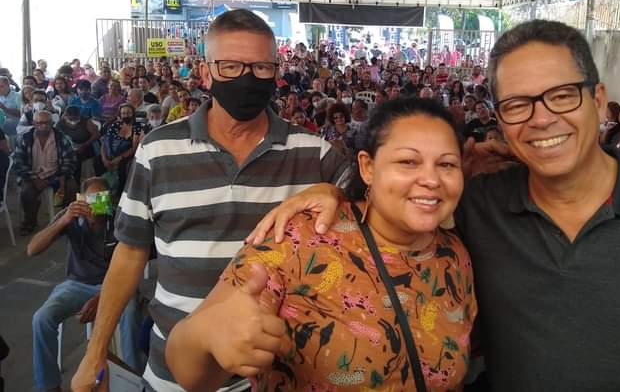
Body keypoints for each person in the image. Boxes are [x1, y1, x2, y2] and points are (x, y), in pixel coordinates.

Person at [251, 20, 620, 392]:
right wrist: (337, 194)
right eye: (517, 104)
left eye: (561, 96)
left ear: (598, 101)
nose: (541, 119)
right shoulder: (480, 204)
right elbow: (400, 205)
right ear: (501, 120)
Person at [71, 9, 350, 392]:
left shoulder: (314, 154)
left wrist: (335, 191)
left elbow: (374, 205)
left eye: (261, 67)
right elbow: (131, 252)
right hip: (175, 375)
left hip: (279, 374)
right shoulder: (158, 150)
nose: (247, 78)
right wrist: (95, 351)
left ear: (275, 73)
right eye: (230, 67)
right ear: (205, 73)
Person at [166, 97, 476, 391]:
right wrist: (208, 336)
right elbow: (189, 373)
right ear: (368, 167)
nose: (431, 179)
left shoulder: (454, 256)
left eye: (447, 165)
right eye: (408, 161)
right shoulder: (299, 239)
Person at [27, 177, 144, 392]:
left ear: (109, 198)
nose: (96, 204)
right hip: (76, 284)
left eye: (102, 197)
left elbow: (131, 266)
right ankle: (48, 386)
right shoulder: (71, 216)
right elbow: (32, 249)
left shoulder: (119, 218)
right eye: (91, 198)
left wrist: (102, 297)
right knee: (41, 318)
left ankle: (133, 382)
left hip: (114, 285)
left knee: (130, 312)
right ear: (81, 199)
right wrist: (63, 220)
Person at [14, 110, 77, 235]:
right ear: (33, 123)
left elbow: (70, 160)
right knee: (27, 191)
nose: (43, 126)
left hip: (56, 175)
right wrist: (35, 178)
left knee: (72, 187)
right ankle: (30, 221)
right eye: (39, 123)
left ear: (52, 123)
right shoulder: (25, 138)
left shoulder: (61, 138)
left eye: (47, 123)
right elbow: (19, 162)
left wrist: (62, 177)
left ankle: (66, 220)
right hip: (32, 175)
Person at [97, 104, 142, 197]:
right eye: (123, 113)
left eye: (128, 113)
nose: (126, 115)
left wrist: (119, 158)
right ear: (120, 114)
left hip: (127, 153)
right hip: (111, 151)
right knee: (97, 161)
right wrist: (104, 158)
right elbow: (105, 142)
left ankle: (120, 193)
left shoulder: (137, 126)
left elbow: (134, 147)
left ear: (133, 114)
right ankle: (101, 188)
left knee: (122, 166)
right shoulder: (115, 125)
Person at [56, 105, 100, 182]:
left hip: (87, 145)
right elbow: (56, 136)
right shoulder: (61, 123)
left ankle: (86, 182)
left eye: (76, 118)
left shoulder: (86, 121)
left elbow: (96, 135)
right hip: (70, 146)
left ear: (79, 116)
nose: (73, 121)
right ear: (65, 116)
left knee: (87, 171)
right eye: (71, 119)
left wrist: (84, 145)